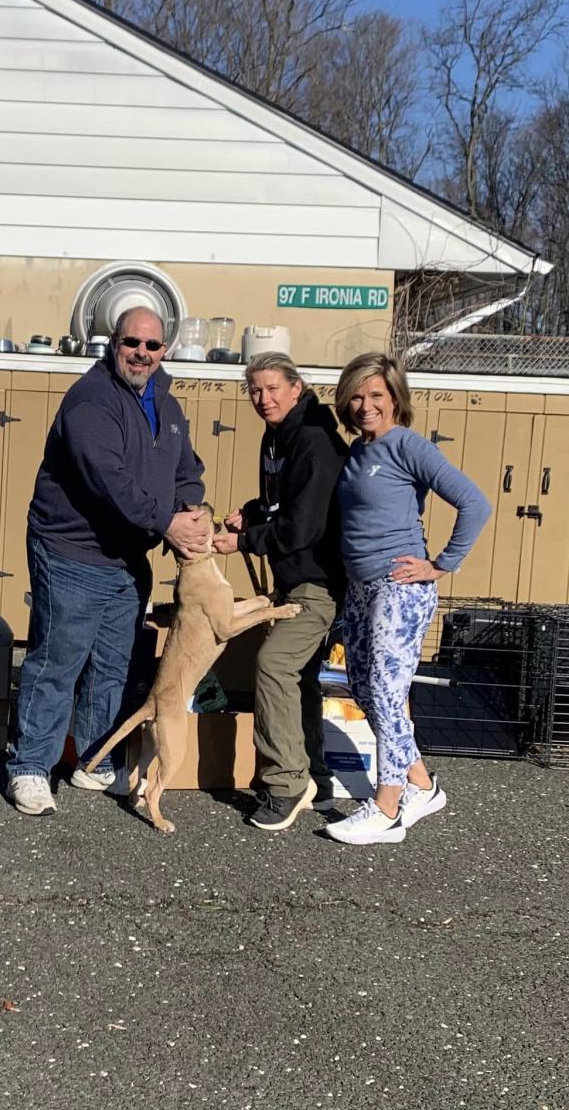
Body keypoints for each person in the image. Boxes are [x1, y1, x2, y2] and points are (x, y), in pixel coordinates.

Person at [6, 307, 208, 816]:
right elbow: (109, 481)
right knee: (58, 660)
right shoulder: (90, 401)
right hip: (73, 550)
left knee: (113, 664)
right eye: (132, 343)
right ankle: (30, 767)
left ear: (165, 350)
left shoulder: (163, 398)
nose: (142, 353)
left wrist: (192, 507)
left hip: (126, 556)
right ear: (112, 343)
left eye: (153, 346)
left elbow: (185, 468)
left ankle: (93, 760)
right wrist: (168, 523)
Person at [326, 353, 490, 845]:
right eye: (356, 395)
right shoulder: (357, 453)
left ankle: (388, 807)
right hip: (361, 590)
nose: (365, 405)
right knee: (363, 688)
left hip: (399, 589)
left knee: (387, 692)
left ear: (395, 398)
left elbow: (475, 503)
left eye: (376, 395)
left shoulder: (407, 446)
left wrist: (440, 564)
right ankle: (422, 784)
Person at [213, 352, 349, 830]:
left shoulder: (313, 441)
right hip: (294, 579)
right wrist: (250, 512)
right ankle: (315, 777)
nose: (263, 398)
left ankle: (285, 785)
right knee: (300, 678)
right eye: (254, 390)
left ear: (297, 387)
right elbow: (280, 504)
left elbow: (302, 526)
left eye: (272, 388)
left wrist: (243, 540)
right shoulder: (277, 437)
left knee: (274, 665)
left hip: (318, 582)